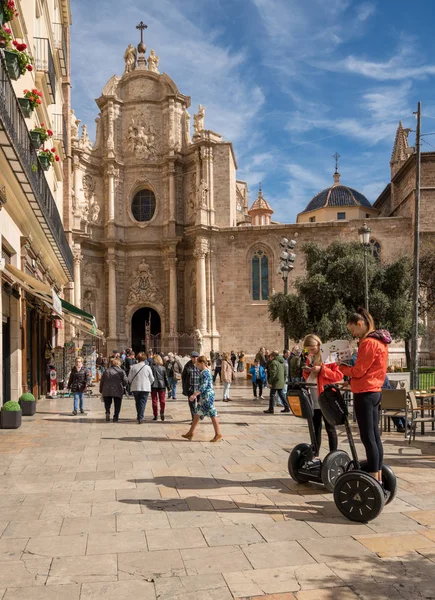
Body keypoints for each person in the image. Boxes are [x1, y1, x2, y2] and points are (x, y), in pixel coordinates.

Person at [339, 307, 392, 483]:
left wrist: (342, 368)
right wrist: (351, 380)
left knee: (368, 437)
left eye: (353, 330)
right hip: (374, 390)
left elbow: (359, 370)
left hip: (365, 392)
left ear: (360, 324)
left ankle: (374, 478)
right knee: (374, 436)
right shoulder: (380, 341)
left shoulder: (369, 342)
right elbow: (371, 369)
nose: (353, 334)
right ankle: (377, 476)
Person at [302, 334, 343, 456]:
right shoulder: (310, 357)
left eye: (312, 349)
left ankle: (333, 455)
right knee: (315, 428)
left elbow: (338, 376)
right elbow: (308, 377)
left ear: (319, 344)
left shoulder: (330, 356)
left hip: (326, 396)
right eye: (308, 349)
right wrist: (306, 370)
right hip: (313, 395)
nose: (310, 351)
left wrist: (322, 370)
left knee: (330, 428)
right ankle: (315, 454)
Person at [182, 355, 222, 442]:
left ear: (202, 363)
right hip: (206, 396)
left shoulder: (205, 372)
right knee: (197, 413)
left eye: (198, 364)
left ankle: (218, 434)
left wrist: (194, 395)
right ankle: (190, 432)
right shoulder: (205, 371)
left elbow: (204, 386)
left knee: (212, 414)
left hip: (207, 397)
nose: (197, 366)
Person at [128, 352, 154, 423]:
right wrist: (148, 383)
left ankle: (139, 415)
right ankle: (140, 417)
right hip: (145, 387)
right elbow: (152, 379)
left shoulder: (133, 367)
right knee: (142, 402)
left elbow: (129, 378)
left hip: (135, 387)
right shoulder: (147, 367)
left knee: (137, 402)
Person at [100, 357, 128, 422]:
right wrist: (124, 385)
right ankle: (116, 416)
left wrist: (101, 390)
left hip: (107, 389)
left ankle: (107, 412)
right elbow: (125, 381)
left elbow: (102, 381)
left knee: (107, 402)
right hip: (118, 389)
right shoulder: (121, 371)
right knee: (117, 403)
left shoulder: (106, 371)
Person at [182, 351, 200, 421]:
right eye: (193, 357)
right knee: (192, 404)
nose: (195, 359)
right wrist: (184, 387)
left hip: (199, 388)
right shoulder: (187, 365)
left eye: (196, 357)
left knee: (200, 403)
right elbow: (184, 377)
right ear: (191, 358)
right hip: (191, 388)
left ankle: (199, 414)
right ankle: (194, 418)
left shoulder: (200, 364)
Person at [151, 354, 170, 421]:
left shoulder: (152, 367)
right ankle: (162, 411)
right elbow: (166, 378)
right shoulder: (163, 368)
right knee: (162, 400)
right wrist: (168, 387)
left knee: (154, 401)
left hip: (154, 386)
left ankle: (155, 415)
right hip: (162, 386)